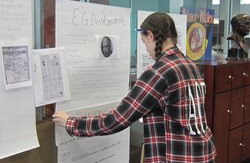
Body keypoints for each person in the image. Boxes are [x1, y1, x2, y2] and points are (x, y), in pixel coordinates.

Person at [53, 12, 216, 163]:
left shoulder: (159, 73)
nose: (145, 47)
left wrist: (71, 122)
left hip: (178, 157)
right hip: (203, 153)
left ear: (151, 36)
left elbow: (116, 120)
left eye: (144, 42)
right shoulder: (190, 65)